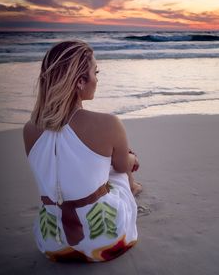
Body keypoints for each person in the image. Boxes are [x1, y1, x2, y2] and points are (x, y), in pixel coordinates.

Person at [23, 40, 142, 262]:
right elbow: (121, 166)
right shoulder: (108, 123)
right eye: (95, 72)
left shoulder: (29, 129)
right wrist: (132, 158)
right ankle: (133, 188)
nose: (97, 79)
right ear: (80, 81)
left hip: (51, 243)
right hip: (106, 240)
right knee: (119, 164)